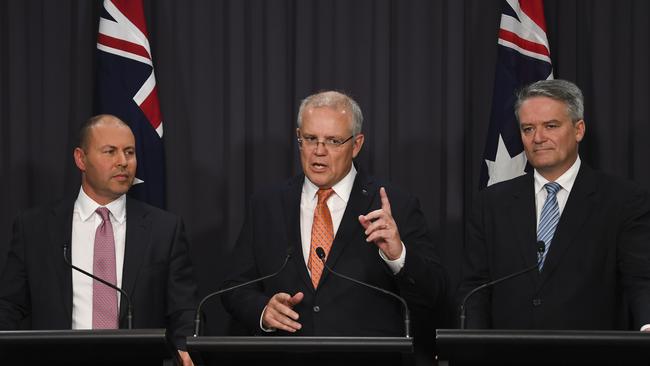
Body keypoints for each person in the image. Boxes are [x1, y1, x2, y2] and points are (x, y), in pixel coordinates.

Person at [221, 90, 446, 348]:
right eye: (310, 138)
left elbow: (435, 294)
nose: (319, 151)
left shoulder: (395, 205)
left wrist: (399, 256)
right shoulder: (266, 204)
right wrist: (262, 311)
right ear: (298, 139)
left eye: (333, 141)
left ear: (356, 145)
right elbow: (233, 287)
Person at [0, 115, 198, 365]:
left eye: (129, 152)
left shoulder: (164, 229)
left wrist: (185, 347)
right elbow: (9, 306)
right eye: (110, 152)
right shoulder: (35, 228)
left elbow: (184, 309)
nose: (123, 162)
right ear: (80, 159)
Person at [459, 79, 650, 330]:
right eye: (528, 129)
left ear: (579, 129)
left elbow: (641, 279)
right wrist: (471, 344)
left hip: (590, 351)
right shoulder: (491, 203)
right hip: (508, 352)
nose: (538, 138)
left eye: (551, 126)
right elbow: (475, 287)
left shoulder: (622, 200)